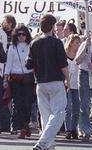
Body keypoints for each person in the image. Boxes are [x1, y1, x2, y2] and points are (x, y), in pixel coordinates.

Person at [26, 14, 68, 150]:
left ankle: (49, 144)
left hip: (40, 82)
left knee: (46, 115)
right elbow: (63, 64)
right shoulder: (57, 43)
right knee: (59, 113)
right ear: (52, 26)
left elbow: (29, 64)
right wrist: (68, 79)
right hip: (55, 81)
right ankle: (43, 142)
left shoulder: (34, 42)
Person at [4, 25, 34, 139]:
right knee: (17, 103)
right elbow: (9, 64)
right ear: (16, 36)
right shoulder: (12, 47)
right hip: (15, 78)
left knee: (27, 103)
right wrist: (5, 79)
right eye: (19, 34)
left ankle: (25, 124)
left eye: (24, 34)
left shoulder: (31, 46)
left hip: (28, 78)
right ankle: (21, 126)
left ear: (27, 35)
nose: (21, 37)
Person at [64, 34, 81, 140]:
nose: (78, 45)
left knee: (77, 108)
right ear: (70, 43)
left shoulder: (80, 55)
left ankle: (74, 129)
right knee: (68, 108)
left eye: (79, 43)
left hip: (77, 84)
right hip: (67, 84)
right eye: (76, 43)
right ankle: (68, 129)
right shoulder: (64, 55)